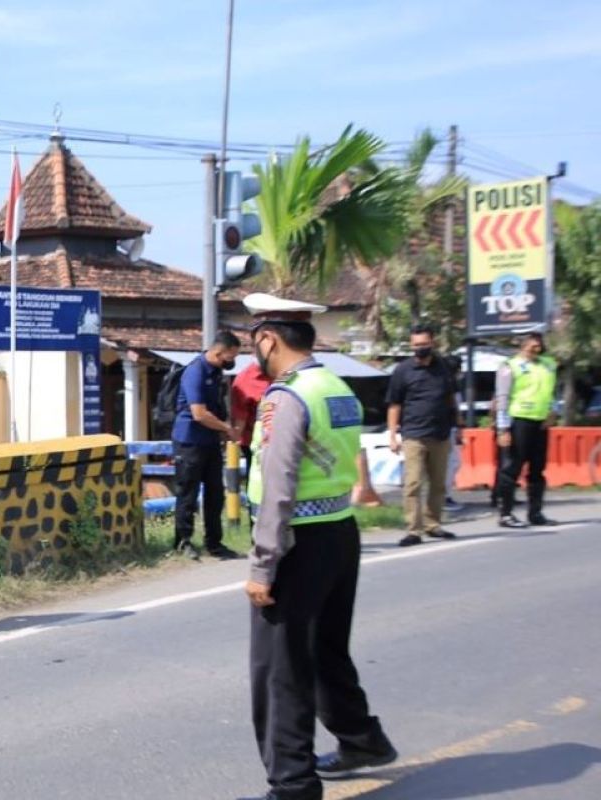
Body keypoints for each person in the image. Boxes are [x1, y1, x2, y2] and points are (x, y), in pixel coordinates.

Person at [241, 293, 395, 800]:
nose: (253, 352)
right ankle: (362, 740)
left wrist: (263, 566)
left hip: (296, 544)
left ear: (269, 339)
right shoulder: (336, 387)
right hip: (339, 533)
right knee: (327, 650)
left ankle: (292, 784)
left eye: (254, 341)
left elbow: (278, 484)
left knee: (280, 670)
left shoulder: (286, 398)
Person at [171, 330, 242, 560]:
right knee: (187, 494)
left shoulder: (216, 372)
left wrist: (223, 431)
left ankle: (214, 543)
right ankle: (183, 542)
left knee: (215, 495)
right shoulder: (196, 371)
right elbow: (199, 414)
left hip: (209, 443)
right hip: (189, 442)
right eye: (230, 357)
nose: (232, 362)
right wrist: (227, 428)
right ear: (218, 351)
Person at [386, 324, 458, 546]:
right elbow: (394, 404)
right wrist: (392, 435)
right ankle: (413, 530)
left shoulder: (444, 366)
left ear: (432, 343)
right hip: (414, 435)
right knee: (413, 483)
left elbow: (451, 398)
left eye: (424, 344)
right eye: (416, 345)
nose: (420, 348)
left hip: (440, 434)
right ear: (411, 345)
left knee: (438, 484)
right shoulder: (403, 370)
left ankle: (432, 524)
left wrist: (457, 425)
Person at [495, 332, 557, 528]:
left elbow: (552, 391)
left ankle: (535, 512)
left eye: (538, 345)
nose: (536, 349)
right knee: (512, 468)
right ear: (522, 346)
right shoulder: (510, 366)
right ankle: (506, 513)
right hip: (519, 421)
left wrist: (553, 411)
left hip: (541, 422)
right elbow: (502, 398)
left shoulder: (548, 364)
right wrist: (503, 428)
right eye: (532, 346)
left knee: (538, 469)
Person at [231, 361, 272, 474]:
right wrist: (235, 438)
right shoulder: (244, 380)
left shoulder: (285, 372)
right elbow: (240, 416)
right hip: (255, 442)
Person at [443, 356, 466, 512]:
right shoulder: (448, 386)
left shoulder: (450, 385)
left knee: (453, 463)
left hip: (449, 428)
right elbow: (455, 409)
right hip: (445, 429)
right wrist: (459, 425)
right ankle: (444, 497)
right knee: (451, 463)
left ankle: (444, 495)